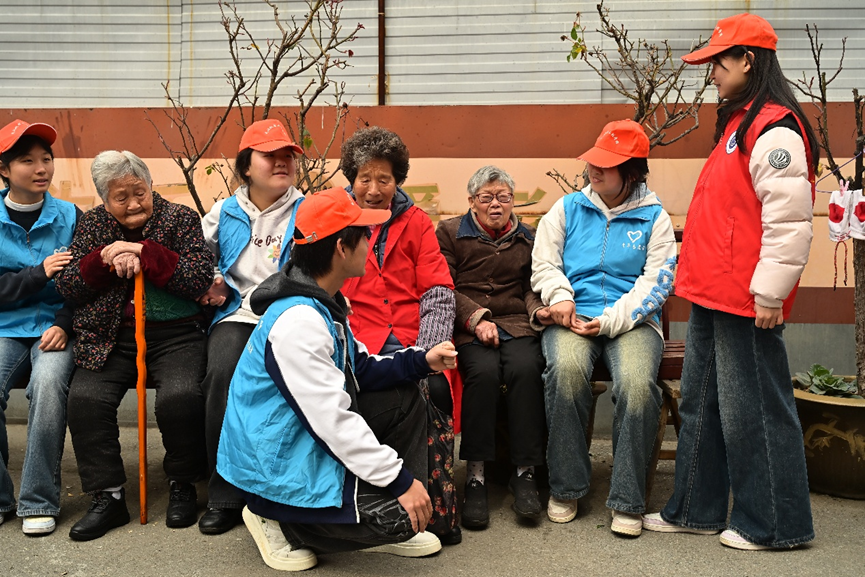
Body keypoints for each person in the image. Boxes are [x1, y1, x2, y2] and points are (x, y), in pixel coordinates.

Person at [641, 13, 817, 551]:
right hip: (712, 293)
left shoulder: (775, 128)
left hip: (746, 299)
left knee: (755, 411)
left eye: (719, 61)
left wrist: (770, 293)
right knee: (702, 404)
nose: (712, 71)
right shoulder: (740, 123)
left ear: (748, 60)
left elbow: (789, 221)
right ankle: (696, 509)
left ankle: (776, 525)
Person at [216, 187, 457, 572]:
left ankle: (380, 512)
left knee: (406, 394)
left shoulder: (322, 300)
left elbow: (360, 368)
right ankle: (272, 518)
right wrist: (399, 482)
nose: (370, 242)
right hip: (275, 465)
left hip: (299, 439)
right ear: (342, 249)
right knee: (399, 519)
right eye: (364, 235)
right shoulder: (299, 322)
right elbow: (333, 422)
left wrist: (421, 360)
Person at [56, 150, 214, 541]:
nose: (132, 204)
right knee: (85, 399)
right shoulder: (93, 224)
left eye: (139, 193)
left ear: (150, 187)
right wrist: (103, 259)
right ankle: (108, 496)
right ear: (104, 199)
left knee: (180, 397)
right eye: (120, 197)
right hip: (109, 336)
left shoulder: (180, 218)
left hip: (176, 336)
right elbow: (69, 285)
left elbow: (198, 278)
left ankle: (182, 482)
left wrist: (146, 252)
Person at [531, 120, 677, 537]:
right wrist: (561, 297)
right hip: (572, 317)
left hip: (632, 323)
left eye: (607, 165)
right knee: (565, 372)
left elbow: (657, 282)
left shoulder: (654, 218)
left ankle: (628, 499)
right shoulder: (566, 209)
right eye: (593, 161)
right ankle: (567, 487)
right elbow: (544, 262)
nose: (594, 169)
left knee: (636, 385)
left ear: (632, 171)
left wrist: (611, 320)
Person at [338, 127, 460, 544]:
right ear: (351, 179)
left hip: (412, 334)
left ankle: (435, 510)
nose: (374, 190)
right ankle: (379, 503)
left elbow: (438, 289)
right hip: (359, 337)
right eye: (364, 179)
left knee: (433, 389)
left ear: (398, 181)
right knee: (369, 394)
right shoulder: (338, 220)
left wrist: (428, 351)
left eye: (384, 179)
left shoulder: (416, 222)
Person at [196, 119, 305, 535]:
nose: (281, 162)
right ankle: (224, 494)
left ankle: (286, 490)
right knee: (222, 372)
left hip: (292, 314)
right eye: (269, 155)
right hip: (239, 315)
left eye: (287, 155)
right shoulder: (225, 212)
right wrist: (213, 278)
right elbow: (196, 255)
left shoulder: (307, 210)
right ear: (246, 166)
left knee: (297, 380)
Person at [436, 166, 548, 529]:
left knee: (526, 370)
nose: (495, 204)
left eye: (503, 197)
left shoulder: (528, 237)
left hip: (516, 323)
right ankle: (476, 476)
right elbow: (444, 286)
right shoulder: (450, 232)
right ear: (472, 201)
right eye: (487, 197)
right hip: (470, 327)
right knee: (482, 374)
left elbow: (530, 288)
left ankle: (525, 473)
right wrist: (475, 319)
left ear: (513, 201)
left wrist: (538, 311)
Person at [0, 120, 80, 536]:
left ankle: (37, 501)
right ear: (4, 169)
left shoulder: (70, 216)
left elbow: (87, 282)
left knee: (48, 385)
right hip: (5, 327)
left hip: (56, 327)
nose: (40, 168)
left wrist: (65, 323)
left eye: (46, 159)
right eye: (27, 161)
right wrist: (38, 273)